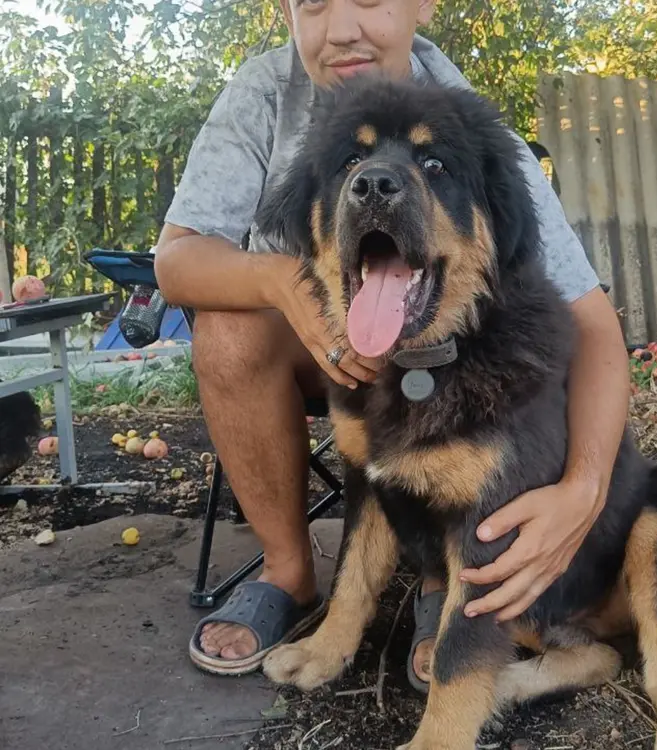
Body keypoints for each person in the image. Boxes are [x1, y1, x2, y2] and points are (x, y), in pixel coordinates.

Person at [154, 0, 630, 689]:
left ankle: (444, 578)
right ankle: (287, 572)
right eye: (313, 3)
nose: (341, 28)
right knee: (227, 327)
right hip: (312, 344)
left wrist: (585, 488)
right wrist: (285, 283)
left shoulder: (468, 123)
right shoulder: (262, 92)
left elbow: (593, 323)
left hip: (446, 359)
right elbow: (176, 261)